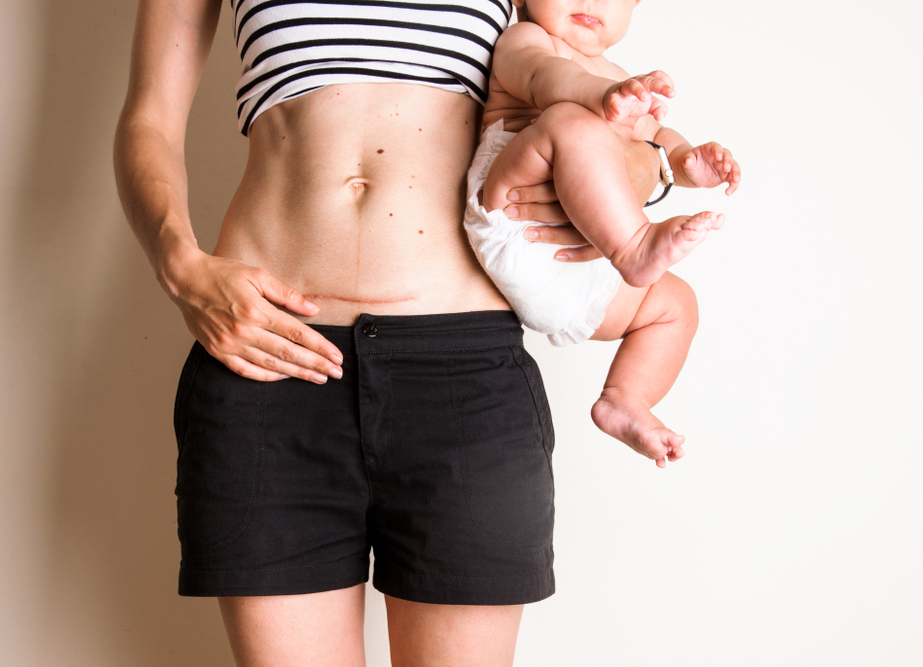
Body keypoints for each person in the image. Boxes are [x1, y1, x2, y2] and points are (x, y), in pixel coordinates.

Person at [113, 0, 667, 664]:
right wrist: (181, 266)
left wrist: (648, 168)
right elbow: (149, 118)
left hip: (462, 377)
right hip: (269, 360)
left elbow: (590, 77)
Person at [464, 0, 741, 465]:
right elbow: (546, 78)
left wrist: (688, 162)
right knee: (570, 119)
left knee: (677, 306)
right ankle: (635, 244)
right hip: (515, 217)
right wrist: (608, 95)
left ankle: (626, 398)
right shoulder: (527, 40)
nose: (591, 2)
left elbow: (657, 139)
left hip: (585, 267)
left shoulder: (619, 74)